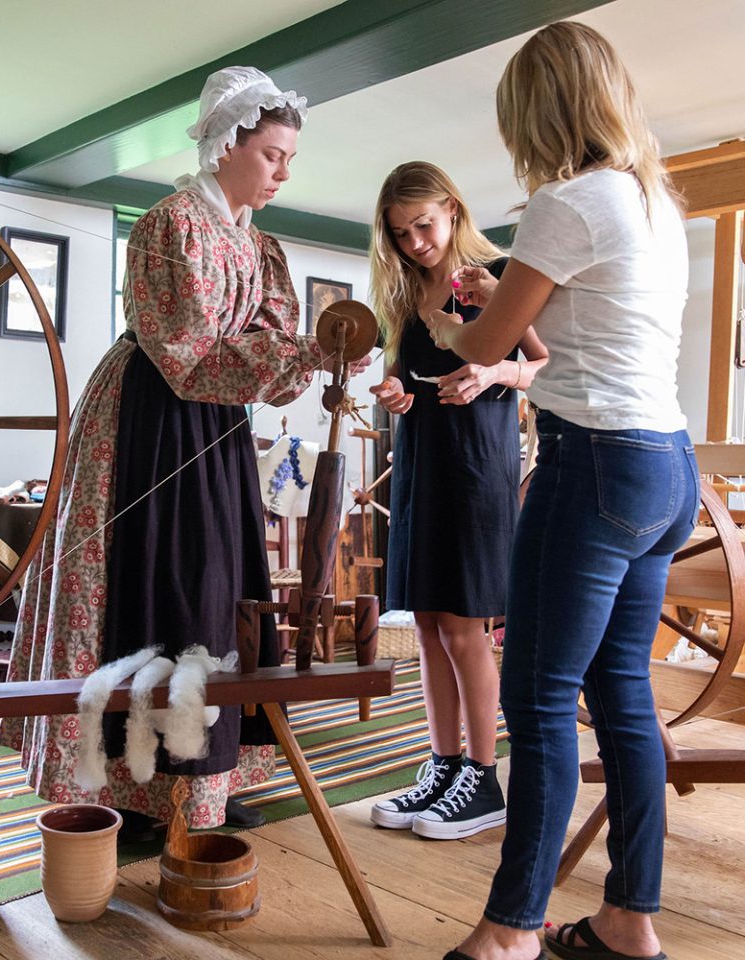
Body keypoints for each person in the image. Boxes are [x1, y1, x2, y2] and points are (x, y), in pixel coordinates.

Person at [0, 66, 364, 836]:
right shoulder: (171, 224)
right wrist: (299, 352)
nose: (284, 171)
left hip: (218, 427)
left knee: (217, 587)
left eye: (290, 157)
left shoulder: (260, 247)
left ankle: (203, 778)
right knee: (163, 578)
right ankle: (135, 781)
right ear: (227, 143)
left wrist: (318, 356)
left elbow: (263, 357)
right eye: (272, 154)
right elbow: (186, 351)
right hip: (153, 420)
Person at [426, 22, 696, 960]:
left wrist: (445, 310)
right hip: (668, 464)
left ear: (535, 113)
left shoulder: (565, 203)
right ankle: (630, 918)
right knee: (623, 691)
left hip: (595, 467)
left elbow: (488, 346)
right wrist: (497, 285)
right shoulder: (654, 201)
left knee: (538, 700)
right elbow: (577, 319)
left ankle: (509, 933)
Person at [366, 162, 547, 840]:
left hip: (477, 471)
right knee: (427, 626)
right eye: (400, 234)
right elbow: (397, 382)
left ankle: (484, 776)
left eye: (424, 226)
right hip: (420, 465)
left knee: (466, 629)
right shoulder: (403, 292)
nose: (415, 243)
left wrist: (494, 372)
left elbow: (545, 364)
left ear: (451, 208)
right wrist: (393, 396)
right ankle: (442, 766)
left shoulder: (496, 276)